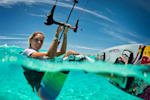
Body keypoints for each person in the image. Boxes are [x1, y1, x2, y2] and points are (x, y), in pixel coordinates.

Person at [21, 23, 80, 99]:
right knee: (65, 57)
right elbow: (49, 55)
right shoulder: (27, 51)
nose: (39, 42)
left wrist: (65, 34)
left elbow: (62, 52)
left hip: (50, 89)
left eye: (41, 41)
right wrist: (56, 34)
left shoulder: (40, 54)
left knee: (71, 53)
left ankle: (88, 63)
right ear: (30, 40)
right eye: (36, 40)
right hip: (42, 91)